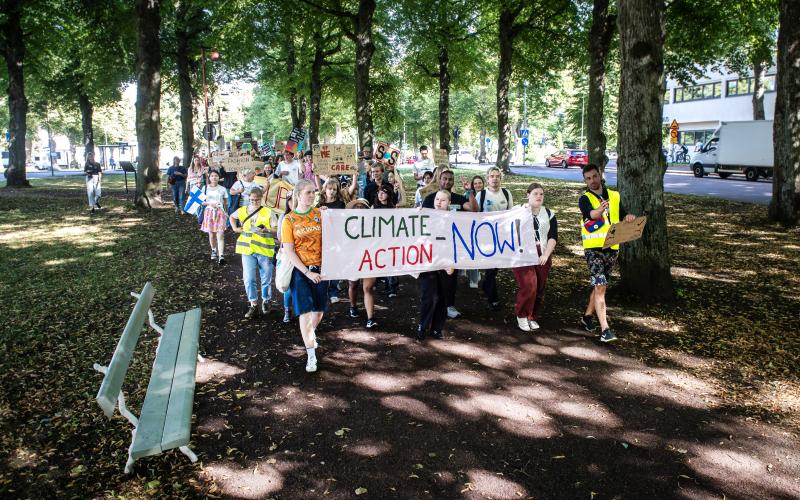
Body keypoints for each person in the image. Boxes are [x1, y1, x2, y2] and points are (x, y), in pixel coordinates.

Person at [578, 163, 636, 342]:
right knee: (600, 286)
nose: (592, 181)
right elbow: (591, 214)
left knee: (599, 286)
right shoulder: (585, 198)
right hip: (593, 250)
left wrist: (629, 218)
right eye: (588, 178)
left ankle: (587, 317)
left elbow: (622, 215)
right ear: (585, 180)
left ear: (600, 175)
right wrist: (601, 210)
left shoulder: (615, 196)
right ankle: (605, 329)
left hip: (612, 249)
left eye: (594, 176)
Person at [281, 180, 329, 372]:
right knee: (305, 313)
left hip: (323, 268)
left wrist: (329, 215)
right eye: (308, 192)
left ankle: (310, 334)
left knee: (318, 310)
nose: (312, 195)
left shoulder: (320, 214)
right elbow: (289, 251)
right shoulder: (289, 220)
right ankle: (311, 355)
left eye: (314, 192)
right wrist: (307, 272)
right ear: (298, 194)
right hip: (301, 271)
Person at [422, 169, 477, 318]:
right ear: (439, 180)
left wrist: (470, 191)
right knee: (432, 277)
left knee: (450, 278)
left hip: (452, 246)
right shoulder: (430, 198)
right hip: (433, 246)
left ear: (453, 181)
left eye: (450, 179)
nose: (447, 182)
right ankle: (433, 305)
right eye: (444, 179)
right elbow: (421, 219)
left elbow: (474, 210)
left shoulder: (458, 198)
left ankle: (449, 306)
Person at [512, 183, 557, 332]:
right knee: (529, 285)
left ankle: (531, 316)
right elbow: (508, 230)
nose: (539, 196)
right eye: (535, 194)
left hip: (542, 252)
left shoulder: (549, 213)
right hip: (523, 253)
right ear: (528, 195)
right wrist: (521, 214)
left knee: (539, 288)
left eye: (541, 194)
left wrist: (546, 254)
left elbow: (552, 236)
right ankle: (521, 314)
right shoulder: (517, 211)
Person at [230, 187, 276, 319]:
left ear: (261, 199)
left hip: (264, 249)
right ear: (248, 199)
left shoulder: (268, 212)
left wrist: (266, 230)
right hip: (247, 249)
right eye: (251, 200)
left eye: (256, 200)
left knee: (266, 278)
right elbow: (232, 217)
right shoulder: (243, 210)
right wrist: (234, 228)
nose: (254, 202)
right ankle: (253, 304)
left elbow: (276, 229)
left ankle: (266, 300)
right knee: (249, 279)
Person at [416, 190, 455, 341]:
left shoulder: (455, 218)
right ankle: (422, 326)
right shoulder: (426, 215)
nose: (439, 202)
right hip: (429, 263)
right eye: (437, 199)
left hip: (447, 263)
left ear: (449, 203)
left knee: (443, 297)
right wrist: (416, 215)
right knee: (429, 296)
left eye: (443, 200)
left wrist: (453, 263)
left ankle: (437, 328)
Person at [477, 167, 513, 311]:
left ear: (501, 178)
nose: (495, 179)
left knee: (495, 266)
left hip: (501, 235)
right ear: (487, 178)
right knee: (490, 267)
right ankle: (493, 299)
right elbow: (476, 215)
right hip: (486, 236)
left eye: (497, 176)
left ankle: (486, 285)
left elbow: (511, 213)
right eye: (492, 176)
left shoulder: (506, 193)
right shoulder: (482, 194)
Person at [344, 197, 380, 327]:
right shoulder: (345, 223)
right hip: (353, 258)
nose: (359, 208)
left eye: (362, 206)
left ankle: (371, 318)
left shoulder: (374, 223)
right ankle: (353, 306)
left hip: (370, 257)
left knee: (368, 288)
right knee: (353, 284)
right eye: (356, 206)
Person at [201, 170, 229, 264]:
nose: (214, 177)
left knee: (220, 234)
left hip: (220, 212)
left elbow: (225, 202)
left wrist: (226, 213)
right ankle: (213, 250)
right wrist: (210, 203)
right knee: (211, 234)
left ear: (219, 177)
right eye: (212, 176)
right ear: (209, 177)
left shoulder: (223, 189)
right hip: (209, 212)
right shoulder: (205, 188)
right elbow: (200, 201)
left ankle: (221, 255)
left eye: (216, 176)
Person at [466, 174, 486, 288]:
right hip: (473, 227)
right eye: (475, 183)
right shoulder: (468, 195)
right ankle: (473, 276)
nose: (478, 185)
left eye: (480, 183)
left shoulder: (487, 194)